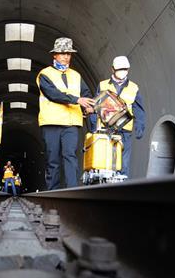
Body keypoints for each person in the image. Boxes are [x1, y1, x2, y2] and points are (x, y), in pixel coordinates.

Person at [37, 37, 95, 189]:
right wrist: (78, 100)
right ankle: (53, 193)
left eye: (68, 53)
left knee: (70, 156)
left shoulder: (76, 75)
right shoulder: (45, 74)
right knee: (53, 160)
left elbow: (86, 94)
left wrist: (88, 106)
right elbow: (53, 94)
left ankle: (72, 190)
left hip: (71, 123)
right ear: (54, 55)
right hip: (51, 123)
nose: (66, 56)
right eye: (62, 53)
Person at [88, 56, 146, 178]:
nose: (122, 71)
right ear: (113, 69)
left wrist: (140, 126)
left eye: (125, 69)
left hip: (125, 129)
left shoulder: (134, 88)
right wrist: (93, 125)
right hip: (105, 129)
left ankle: (121, 186)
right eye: (120, 69)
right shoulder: (103, 85)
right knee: (105, 160)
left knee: (123, 163)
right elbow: (95, 107)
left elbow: (138, 109)